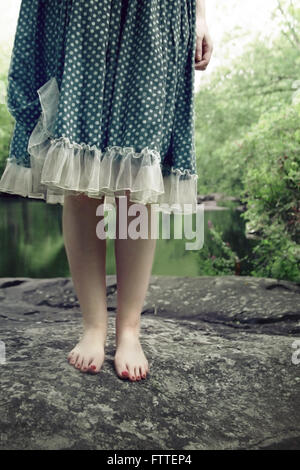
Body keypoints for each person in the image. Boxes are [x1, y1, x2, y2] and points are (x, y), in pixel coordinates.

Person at [0, 0, 213, 381]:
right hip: (79, 11)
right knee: (80, 175)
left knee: (137, 177)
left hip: (155, 13)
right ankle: (94, 326)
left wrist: (200, 13)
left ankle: (129, 329)